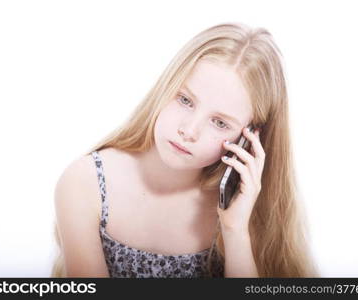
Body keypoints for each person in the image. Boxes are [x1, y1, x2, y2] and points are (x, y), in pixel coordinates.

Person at [50, 22, 319, 278]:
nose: (189, 131)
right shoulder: (85, 184)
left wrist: (235, 231)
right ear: (166, 86)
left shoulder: (245, 204)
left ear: (248, 140)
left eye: (220, 122)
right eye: (185, 100)